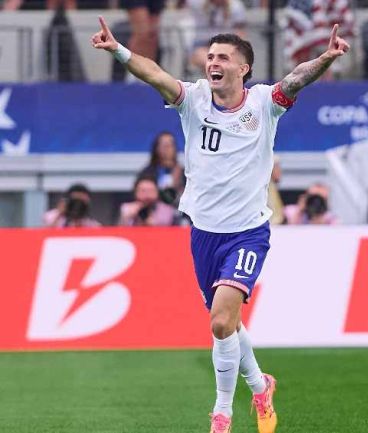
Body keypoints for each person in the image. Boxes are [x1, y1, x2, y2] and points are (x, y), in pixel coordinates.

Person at [91, 17, 349, 433]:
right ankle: (260, 383)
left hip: (247, 231)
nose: (213, 62)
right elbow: (155, 73)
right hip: (203, 233)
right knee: (225, 322)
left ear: (242, 68)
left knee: (220, 323)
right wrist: (118, 50)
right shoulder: (192, 99)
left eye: (223, 57)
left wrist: (326, 57)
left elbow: (296, 79)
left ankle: (222, 413)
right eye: (210, 56)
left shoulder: (264, 103)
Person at [186, 0, 247, 77]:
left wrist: (237, 51)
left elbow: (240, 32)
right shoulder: (197, 2)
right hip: (201, 46)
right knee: (210, 63)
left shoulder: (236, 6)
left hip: (227, 47)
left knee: (225, 64)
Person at [139, 131, 185, 205]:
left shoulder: (184, 173)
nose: (167, 149)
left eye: (170, 145)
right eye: (164, 145)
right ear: (156, 148)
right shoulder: (147, 173)